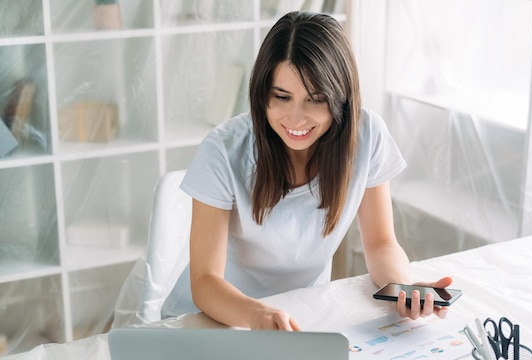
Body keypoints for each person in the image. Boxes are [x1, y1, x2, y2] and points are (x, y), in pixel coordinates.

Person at [173, 11, 453, 330]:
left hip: (302, 314)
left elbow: (380, 243)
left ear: (341, 98)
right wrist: (257, 315)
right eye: (282, 97)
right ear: (262, 93)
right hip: (217, 319)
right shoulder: (223, 151)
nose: (296, 118)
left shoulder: (367, 135)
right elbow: (205, 281)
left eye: (315, 100)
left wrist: (404, 290)